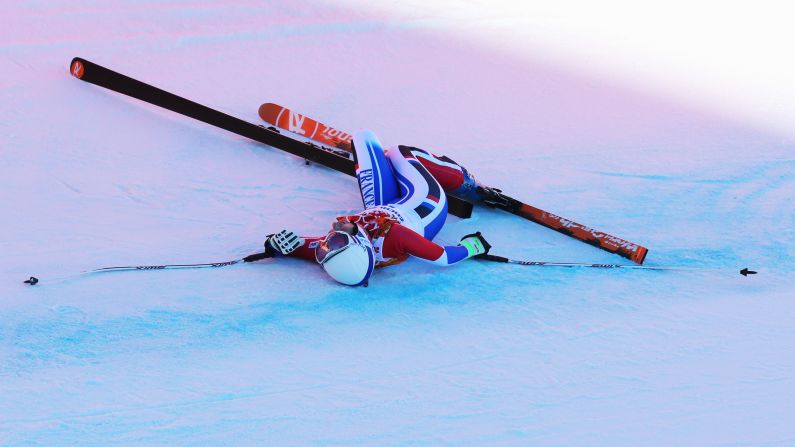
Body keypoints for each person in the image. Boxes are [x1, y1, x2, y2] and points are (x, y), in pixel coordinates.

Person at [262, 129, 491, 286]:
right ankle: (465, 181)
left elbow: (301, 246)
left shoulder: (338, 251)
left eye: (329, 245)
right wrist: (472, 246)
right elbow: (443, 257)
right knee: (400, 152)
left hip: (382, 206)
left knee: (363, 137)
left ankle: (387, 163)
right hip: (424, 204)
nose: (332, 235)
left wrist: (275, 245)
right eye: (340, 239)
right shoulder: (397, 236)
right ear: (361, 246)